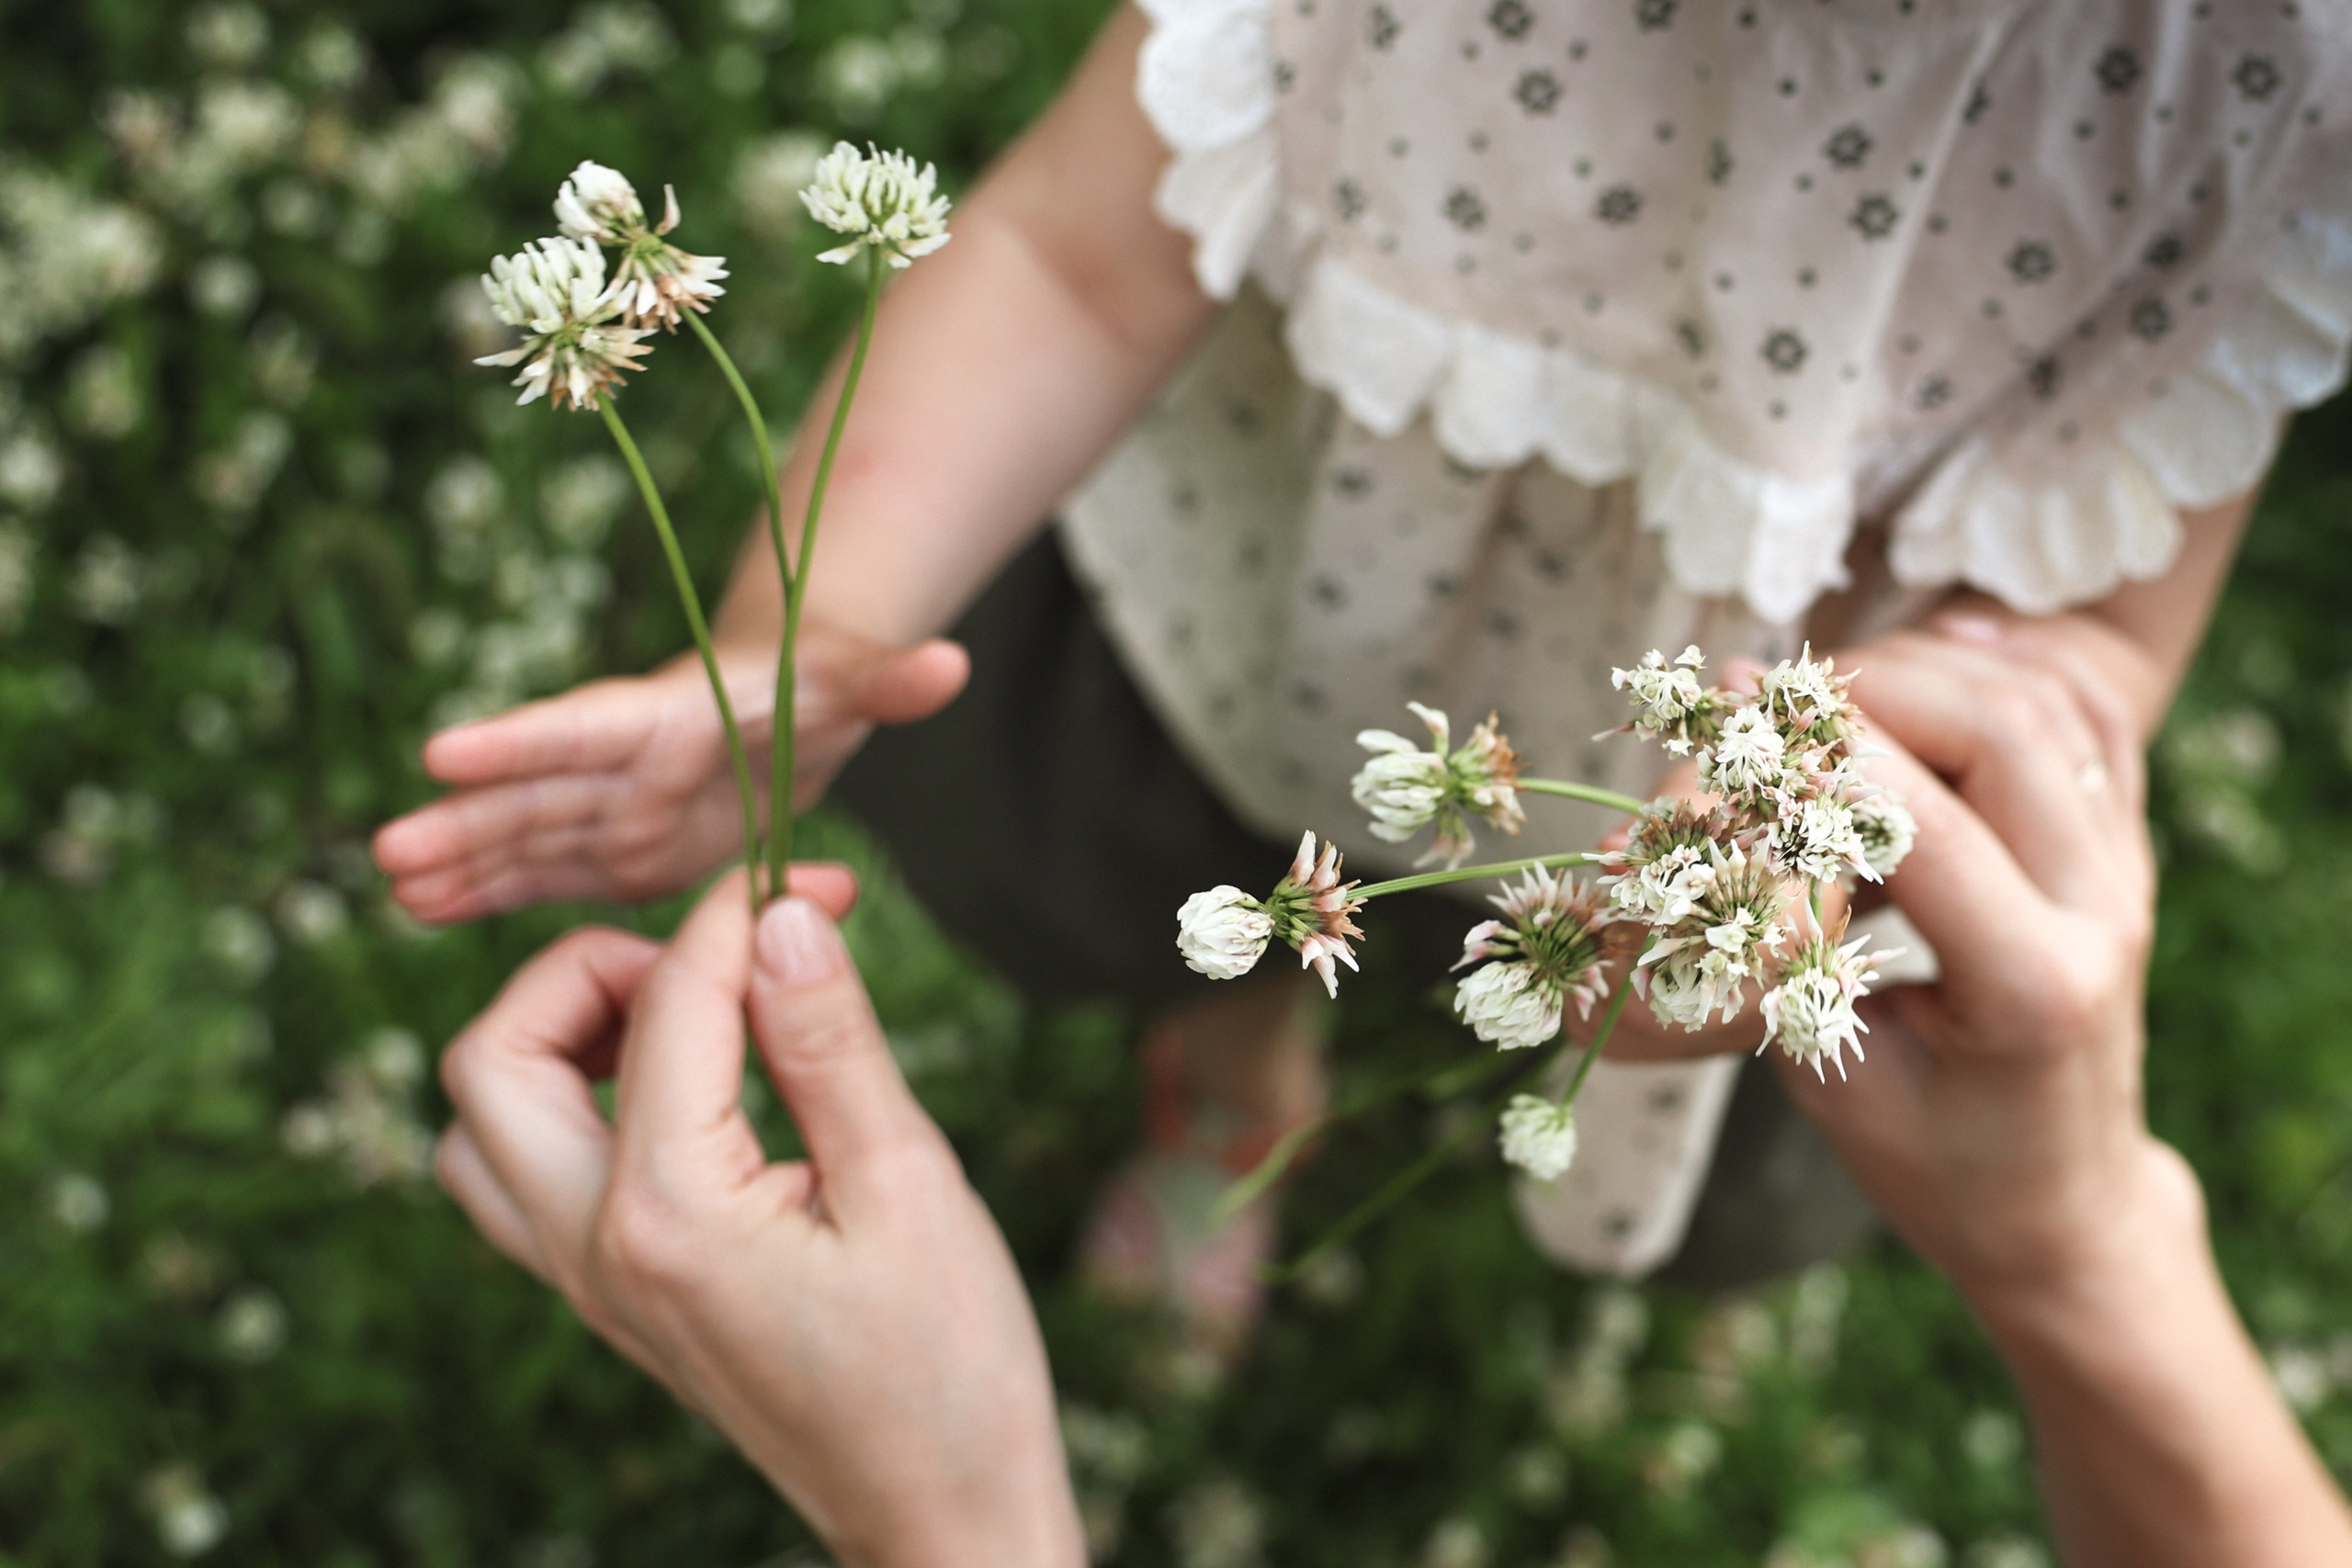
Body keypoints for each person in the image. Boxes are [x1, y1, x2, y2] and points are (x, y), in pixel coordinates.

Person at [382, 1, 2352, 1327]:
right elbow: (1076, 253)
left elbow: (2083, 627)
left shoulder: (2248, 91)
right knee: (1198, 862)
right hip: (1270, 581)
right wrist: (786, 643)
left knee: (1690, 1110)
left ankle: (1379, 1069)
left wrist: (1795, 886)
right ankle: (1234, 1066)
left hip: (1771, 783)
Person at [433, 622, 2352, 1568]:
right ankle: (1244, 1080)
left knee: (1632, 1103)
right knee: (1220, 820)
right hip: (1319, 580)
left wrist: (951, 1513)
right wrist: (2078, 1241)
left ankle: (1273, 1104)